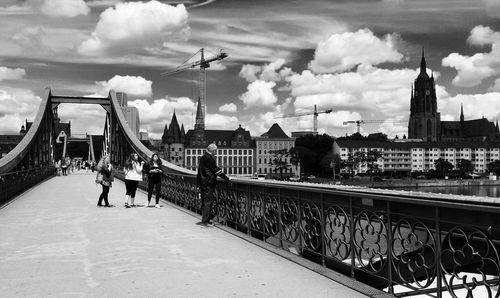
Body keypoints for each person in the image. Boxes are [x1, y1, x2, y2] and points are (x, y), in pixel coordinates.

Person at [196, 143, 230, 227]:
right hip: (208, 183)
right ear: (213, 150)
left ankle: (206, 220)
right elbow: (216, 170)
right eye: (216, 150)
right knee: (208, 202)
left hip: (203, 182)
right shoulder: (210, 158)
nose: (216, 152)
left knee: (205, 202)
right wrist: (226, 178)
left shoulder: (203, 157)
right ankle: (205, 222)